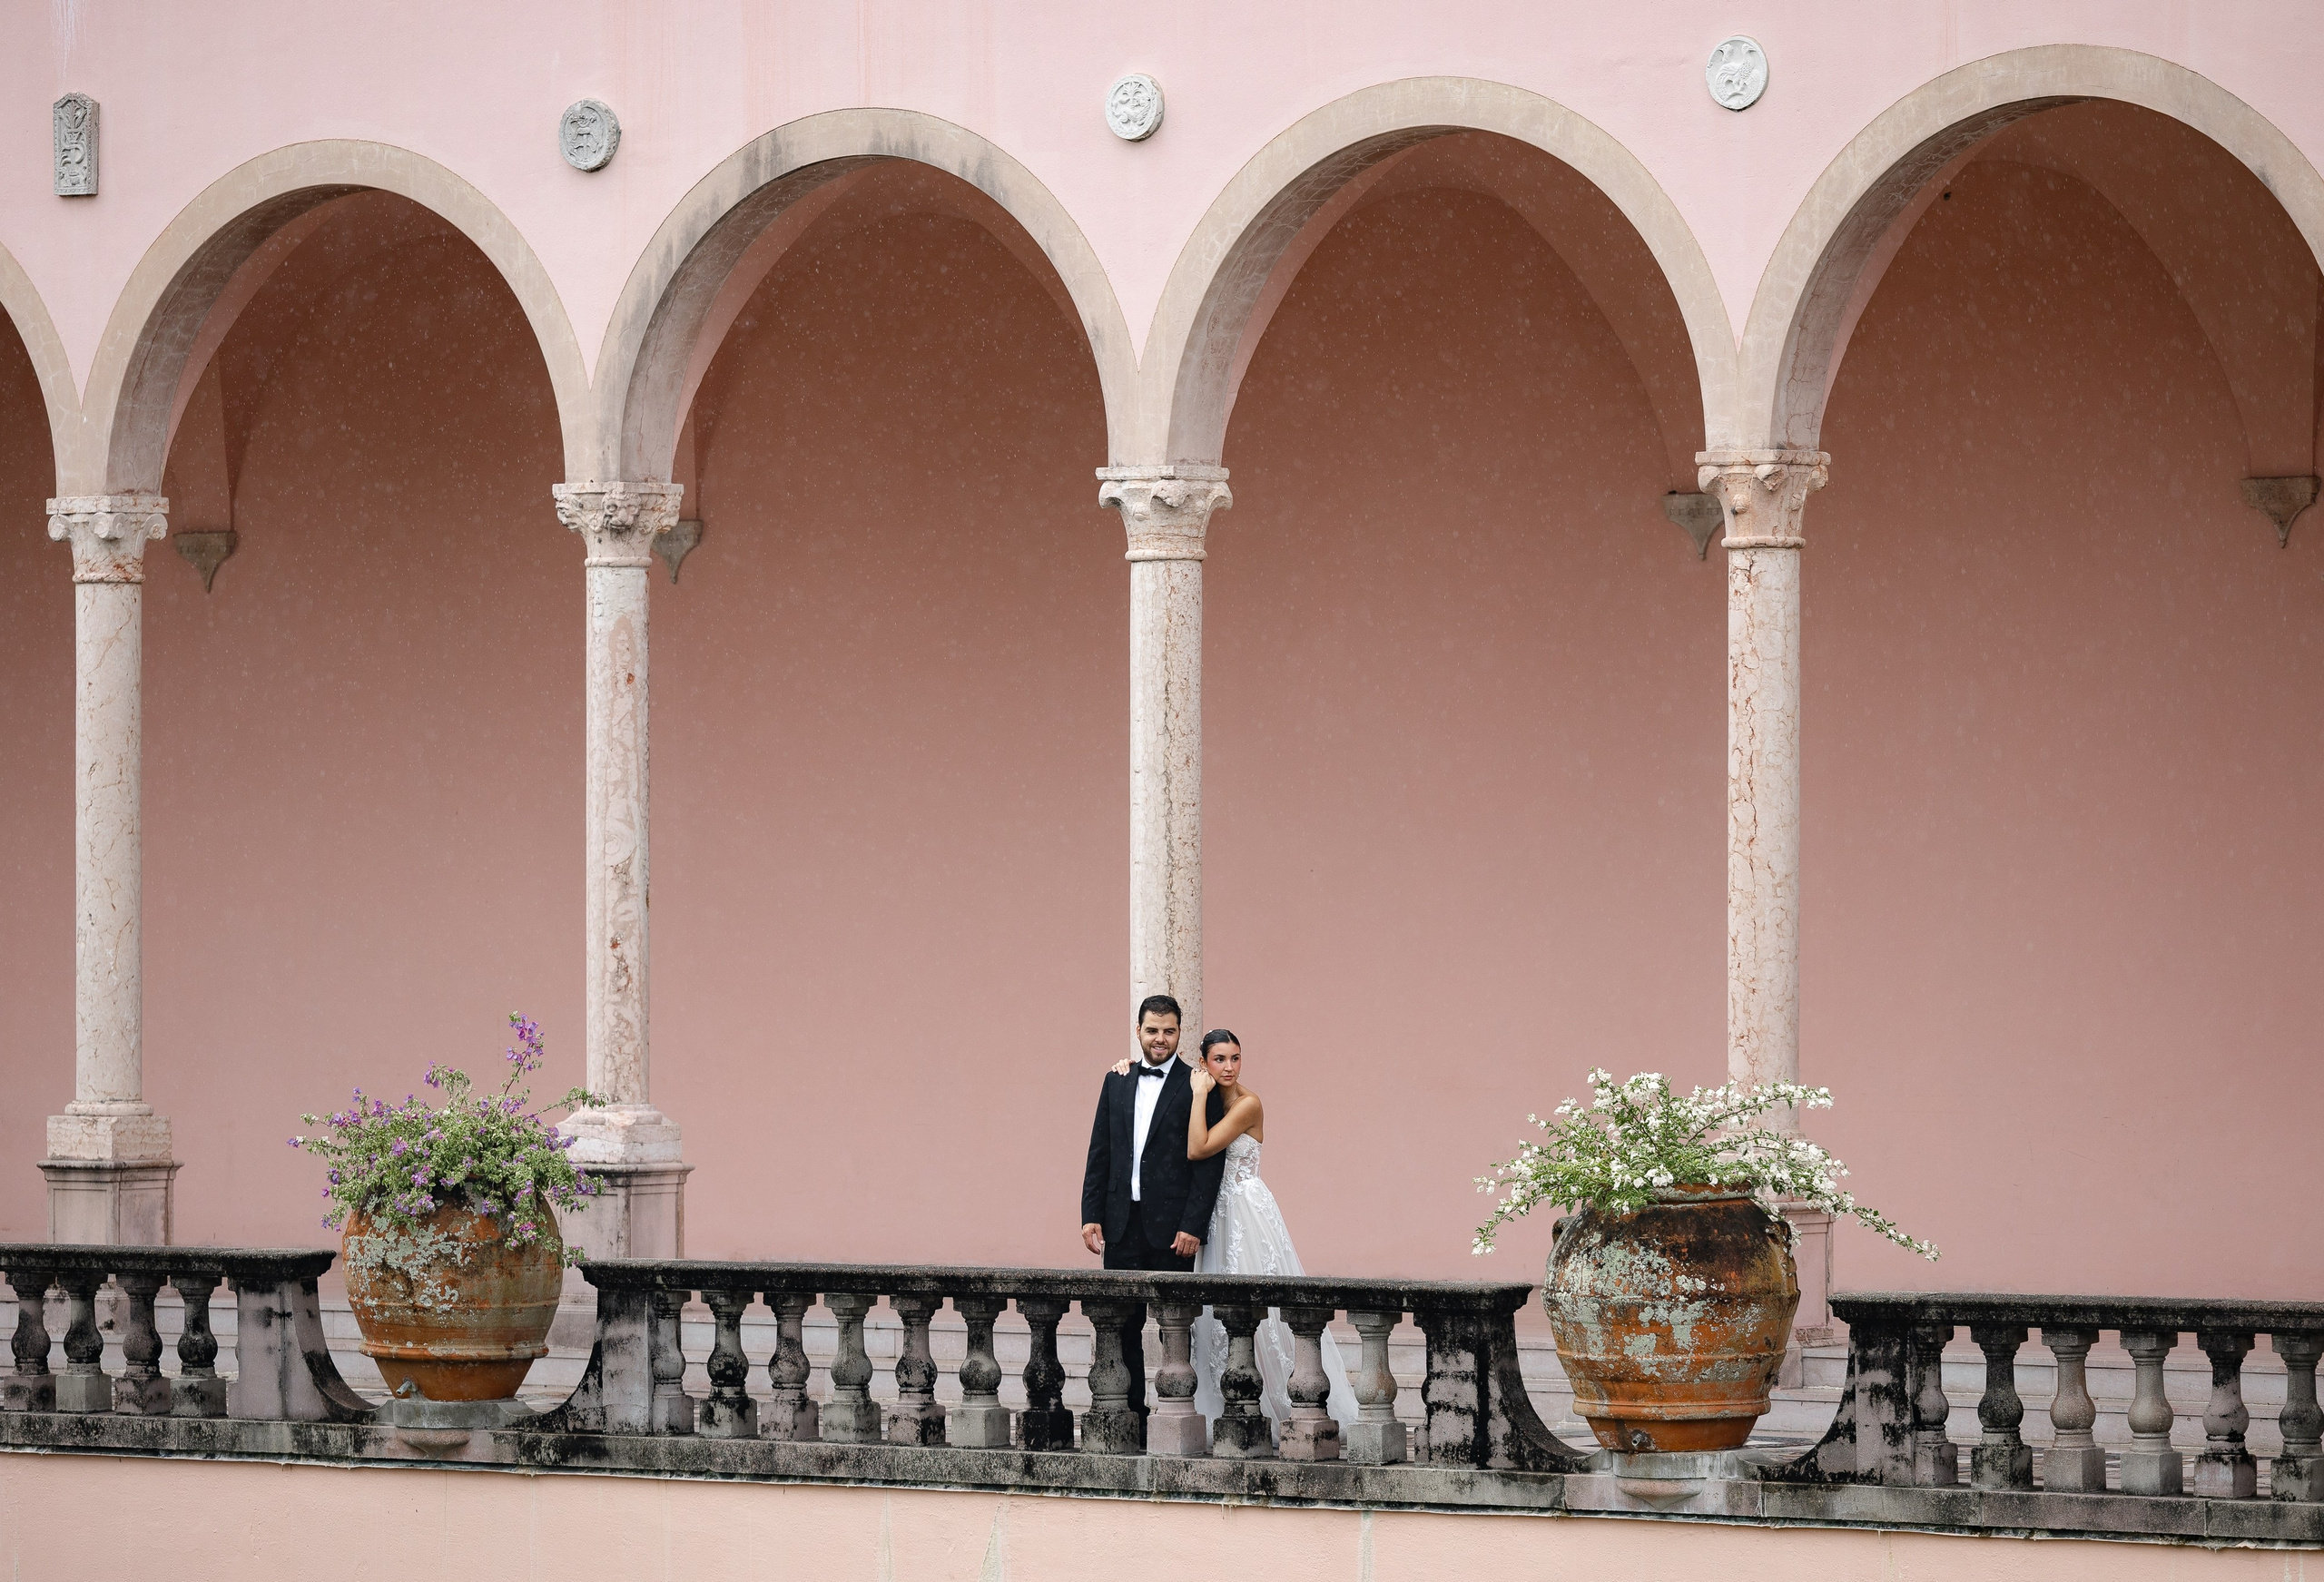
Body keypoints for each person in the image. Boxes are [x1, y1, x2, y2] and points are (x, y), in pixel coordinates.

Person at [1110, 1027, 1357, 1444]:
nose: (1229, 1067)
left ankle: (1283, 1405)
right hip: (1214, 1216)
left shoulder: (1247, 1104)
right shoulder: (1204, 1096)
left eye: (1235, 1058)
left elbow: (1197, 1148)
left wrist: (1198, 1095)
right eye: (1219, 1059)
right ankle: (1226, 1405)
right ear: (1204, 1063)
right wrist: (1129, 1067)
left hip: (1245, 1213)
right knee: (1213, 1318)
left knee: (1261, 1313)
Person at [1079, 995, 1226, 1444]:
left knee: (1174, 1325)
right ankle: (1131, 1415)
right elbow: (1100, 1149)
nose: (1160, 1039)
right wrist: (1091, 1214)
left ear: (1179, 1033)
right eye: (1152, 1030)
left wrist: (1194, 1225)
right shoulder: (1117, 1080)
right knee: (1121, 1324)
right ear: (1138, 1031)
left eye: (1168, 1031)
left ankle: (1174, 1412)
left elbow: (1209, 1166)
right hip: (1120, 1222)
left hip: (1174, 1228)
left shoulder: (1199, 1086)